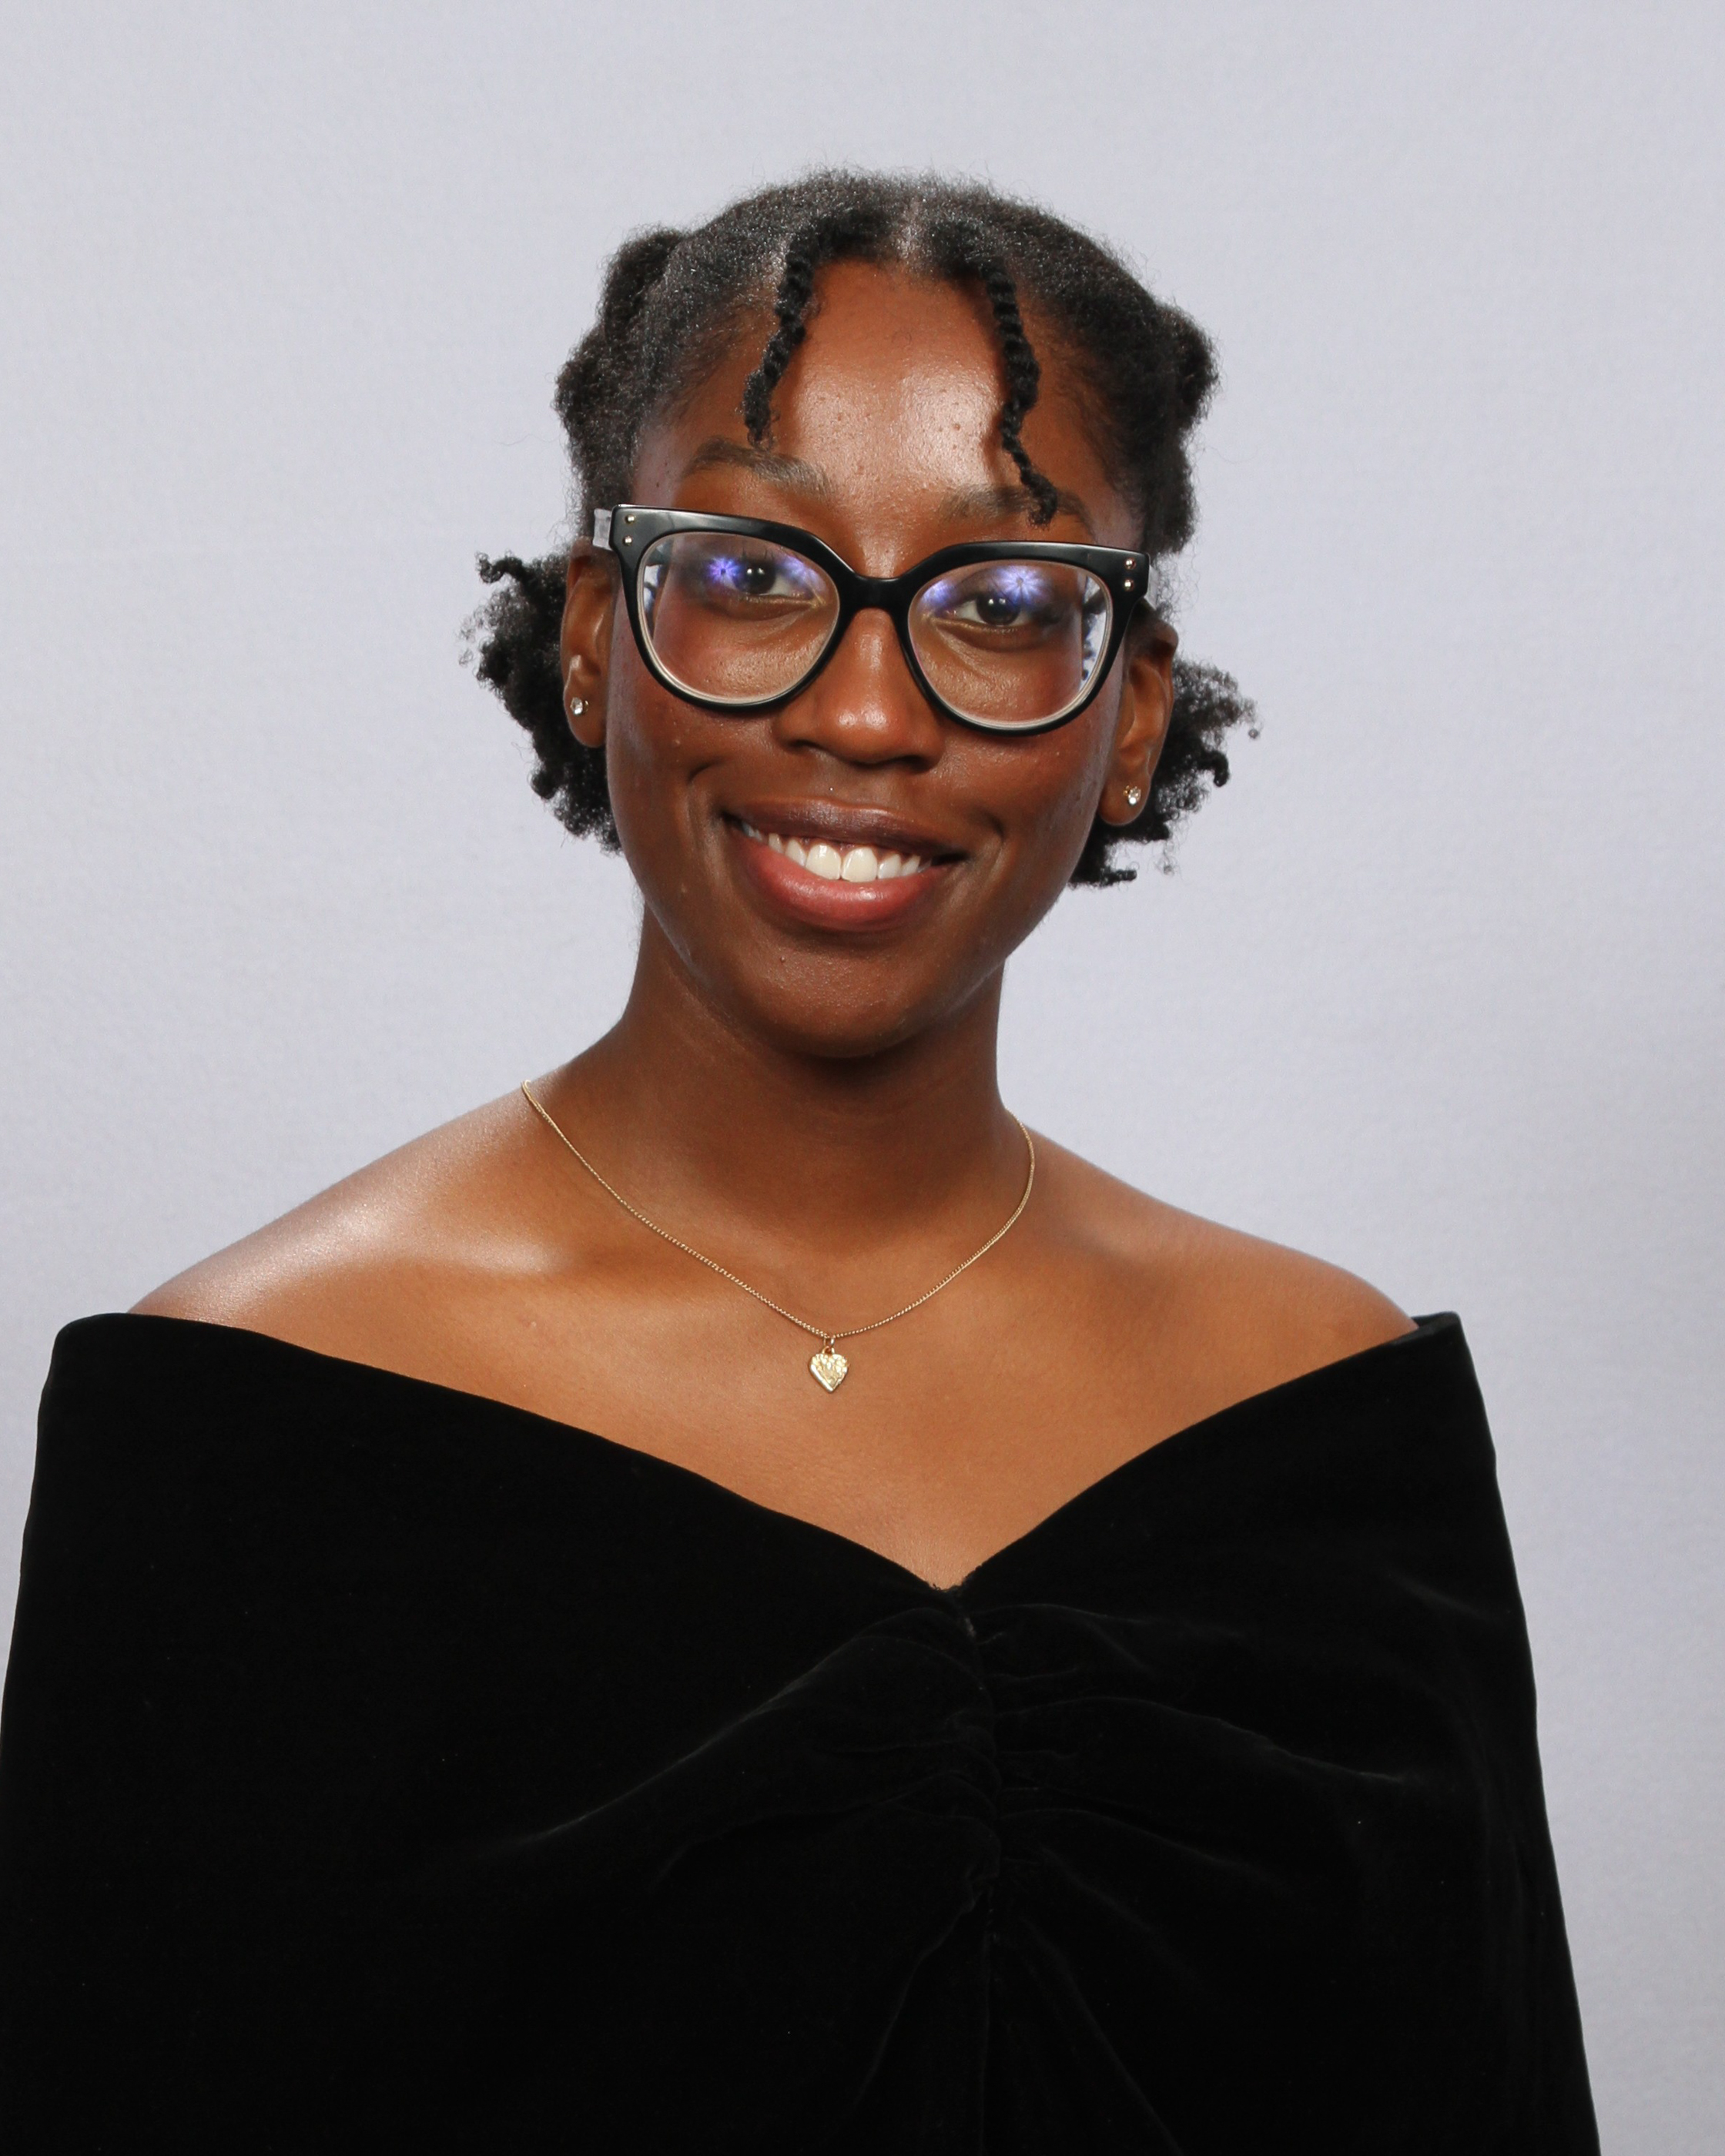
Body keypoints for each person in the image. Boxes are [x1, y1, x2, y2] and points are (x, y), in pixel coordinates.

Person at [0, 173, 1596, 2151]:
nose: (861, 708)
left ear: (1126, 715)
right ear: (597, 642)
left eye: (1002, 605)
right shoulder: (245, 1426)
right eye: (751, 571)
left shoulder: (1331, 1426)